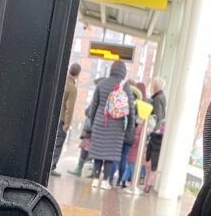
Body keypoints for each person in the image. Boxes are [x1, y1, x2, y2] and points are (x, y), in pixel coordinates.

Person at [86, 59, 135, 189]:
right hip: (116, 125)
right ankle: (106, 181)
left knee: (98, 152)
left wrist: (93, 123)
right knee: (109, 154)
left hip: (100, 121)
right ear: (123, 72)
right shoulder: (125, 86)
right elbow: (131, 110)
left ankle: (96, 179)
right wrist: (130, 129)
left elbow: (94, 106)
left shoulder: (102, 84)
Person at [49, 62, 81, 177]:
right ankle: (51, 166)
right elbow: (69, 108)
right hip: (61, 119)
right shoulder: (72, 88)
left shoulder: (61, 81)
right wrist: (67, 125)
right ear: (78, 74)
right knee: (58, 143)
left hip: (52, 117)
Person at [144, 77, 167, 192]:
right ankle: (147, 184)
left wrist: (154, 130)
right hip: (158, 131)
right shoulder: (161, 97)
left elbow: (157, 115)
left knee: (150, 161)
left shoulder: (157, 99)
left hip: (154, 133)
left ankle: (147, 184)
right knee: (152, 164)